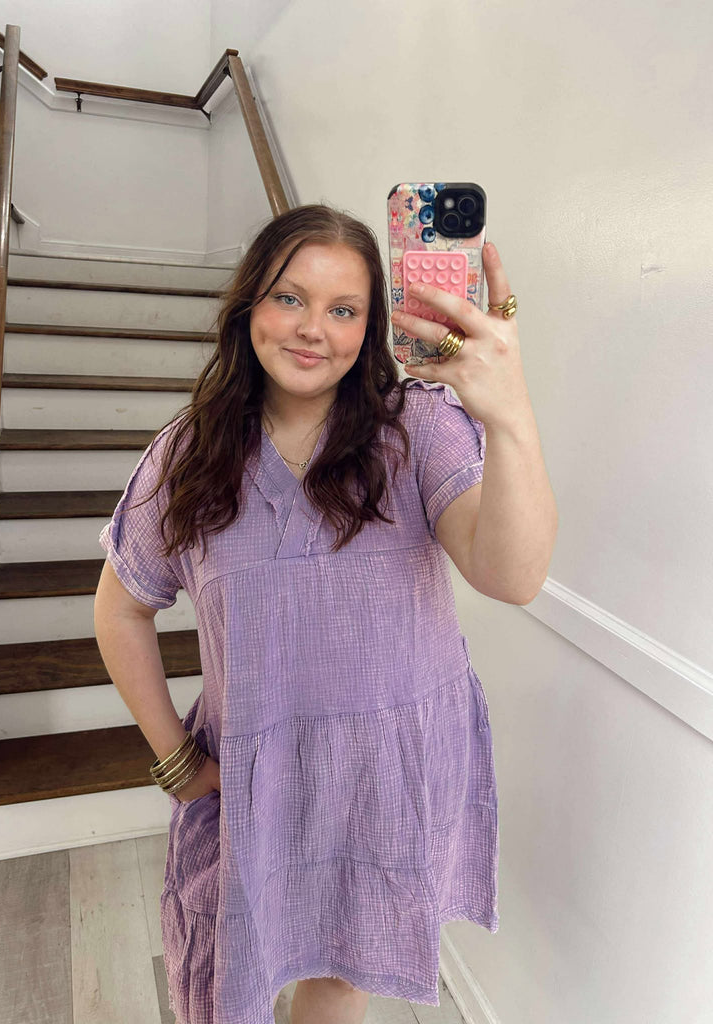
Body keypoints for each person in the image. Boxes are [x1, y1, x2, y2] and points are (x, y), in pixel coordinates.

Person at [93, 203, 557, 1024]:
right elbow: (121, 609)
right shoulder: (187, 454)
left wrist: (509, 412)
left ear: (371, 329)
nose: (313, 329)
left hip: (385, 778)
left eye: (344, 310)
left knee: (344, 972)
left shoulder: (418, 429)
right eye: (290, 298)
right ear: (250, 305)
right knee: (233, 966)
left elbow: (512, 576)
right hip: (257, 781)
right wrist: (175, 760)